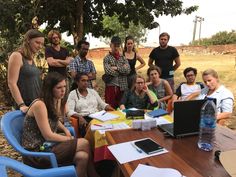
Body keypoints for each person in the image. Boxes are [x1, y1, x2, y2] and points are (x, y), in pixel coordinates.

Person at [21, 72, 99, 177]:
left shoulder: (54, 100)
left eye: (65, 86)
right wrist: (69, 139)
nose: (63, 90)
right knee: (84, 142)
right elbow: (48, 135)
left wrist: (65, 130)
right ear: (50, 89)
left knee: (83, 156)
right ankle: (94, 175)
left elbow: (54, 120)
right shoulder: (40, 105)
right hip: (37, 153)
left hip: (47, 146)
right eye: (59, 87)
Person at [8, 29, 44, 112]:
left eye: (42, 44)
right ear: (28, 40)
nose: (40, 46)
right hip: (24, 108)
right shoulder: (17, 56)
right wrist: (22, 105)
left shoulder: (31, 59)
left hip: (36, 106)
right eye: (37, 42)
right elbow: (11, 83)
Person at [103, 36, 130, 108]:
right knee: (111, 108)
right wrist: (122, 69)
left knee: (122, 108)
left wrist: (116, 68)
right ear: (110, 45)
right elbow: (109, 71)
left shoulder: (123, 58)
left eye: (118, 46)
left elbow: (128, 70)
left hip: (123, 87)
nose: (116, 48)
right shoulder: (107, 58)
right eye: (114, 45)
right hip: (111, 87)